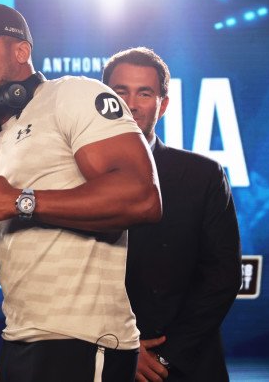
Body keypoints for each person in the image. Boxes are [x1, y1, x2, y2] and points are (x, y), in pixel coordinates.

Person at [0, 3, 162, 381]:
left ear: (21, 51)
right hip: (19, 342)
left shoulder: (71, 95)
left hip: (84, 342)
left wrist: (18, 201)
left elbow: (142, 197)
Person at [103, 47, 241, 382]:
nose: (131, 104)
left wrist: (164, 356)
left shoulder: (202, 175)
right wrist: (120, 349)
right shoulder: (69, 176)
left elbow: (222, 277)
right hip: (100, 361)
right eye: (120, 92)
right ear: (102, 100)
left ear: (162, 105)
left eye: (144, 93)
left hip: (184, 366)